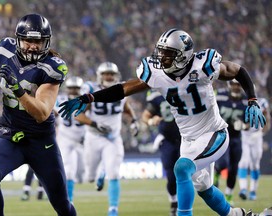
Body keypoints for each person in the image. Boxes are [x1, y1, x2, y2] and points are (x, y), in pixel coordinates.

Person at [59, 28, 266, 216]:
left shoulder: (203, 66)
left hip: (214, 133)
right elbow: (123, 89)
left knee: (182, 168)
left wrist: (253, 100)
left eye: (169, 53)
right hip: (189, 139)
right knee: (204, 189)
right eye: (161, 51)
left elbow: (237, 70)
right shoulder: (157, 73)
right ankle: (239, 215)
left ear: (183, 55)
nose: (162, 57)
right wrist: (89, 97)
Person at [0, 14, 76, 216]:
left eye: (38, 41)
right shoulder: (4, 50)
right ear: (18, 39)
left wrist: (17, 89)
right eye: (28, 40)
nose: (33, 46)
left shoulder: (52, 67)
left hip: (41, 142)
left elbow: (42, 113)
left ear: (46, 42)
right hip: (11, 135)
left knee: (62, 205)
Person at [74, 61, 139, 216]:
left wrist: (134, 122)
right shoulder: (91, 91)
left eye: (111, 74)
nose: (109, 77)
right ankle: (99, 173)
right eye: (106, 74)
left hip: (113, 138)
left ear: (116, 76)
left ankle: (113, 209)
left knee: (115, 173)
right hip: (94, 137)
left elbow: (127, 108)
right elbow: (78, 115)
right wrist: (94, 123)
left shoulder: (121, 90)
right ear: (100, 76)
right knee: (89, 177)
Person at [142, 89, 181, 216]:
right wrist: (150, 121)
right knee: (170, 175)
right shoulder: (157, 97)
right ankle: (174, 202)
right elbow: (146, 115)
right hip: (167, 140)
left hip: (186, 138)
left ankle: (184, 206)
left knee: (185, 173)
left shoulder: (186, 89)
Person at [214, 79, 247, 206]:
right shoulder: (220, 96)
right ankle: (217, 171)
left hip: (236, 138)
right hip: (222, 135)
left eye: (238, 84)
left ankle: (228, 195)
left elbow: (249, 121)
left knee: (234, 168)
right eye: (234, 84)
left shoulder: (245, 101)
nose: (236, 87)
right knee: (223, 163)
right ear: (229, 85)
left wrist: (244, 125)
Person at [54, 75, 86, 203]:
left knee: (83, 174)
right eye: (71, 88)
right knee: (69, 170)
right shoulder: (60, 99)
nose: (73, 90)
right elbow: (51, 112)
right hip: (65, 139)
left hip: (83, 140)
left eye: (76, 88)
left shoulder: (86, 100)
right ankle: (69, 200)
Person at [238, 97, 270, 201]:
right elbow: (238, 118)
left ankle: (253, 190)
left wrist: (262, 132)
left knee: (255, 165)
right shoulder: (242, 101)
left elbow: (267, 119)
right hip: (245, 136)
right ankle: (243, 189)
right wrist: (241, 125)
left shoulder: (262, 102)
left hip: (256, 136)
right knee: (243, 162)